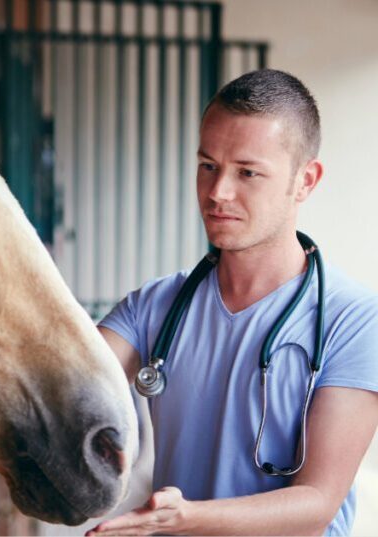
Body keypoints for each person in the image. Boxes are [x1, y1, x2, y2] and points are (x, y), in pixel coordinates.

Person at [88, 69, 378, 536]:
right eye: (208, 166)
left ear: (305, 181)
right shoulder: (154, 306)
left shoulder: (353, 321)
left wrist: (186, 520)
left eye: (247, 172)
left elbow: (317, 503)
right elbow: (71, 378)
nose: (218, 192)